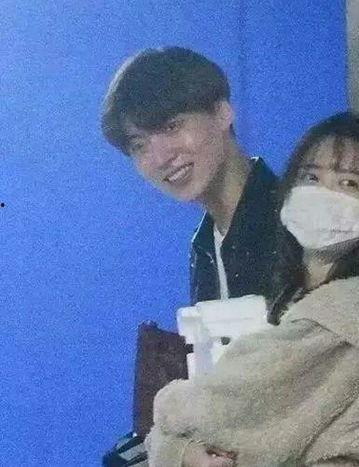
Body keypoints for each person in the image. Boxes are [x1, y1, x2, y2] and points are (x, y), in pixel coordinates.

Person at [146, 113, 359, 466]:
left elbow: (227, 410)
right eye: (311, 177)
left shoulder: (351, 311)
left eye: (349, 183)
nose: (323, 194)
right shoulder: (296, 295)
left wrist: (167, 436)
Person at [101, 47, 281, 466]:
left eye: (172, 126)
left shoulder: (297, 222)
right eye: (139, 145)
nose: (160, 157)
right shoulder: (204, 244)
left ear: (222, 113)